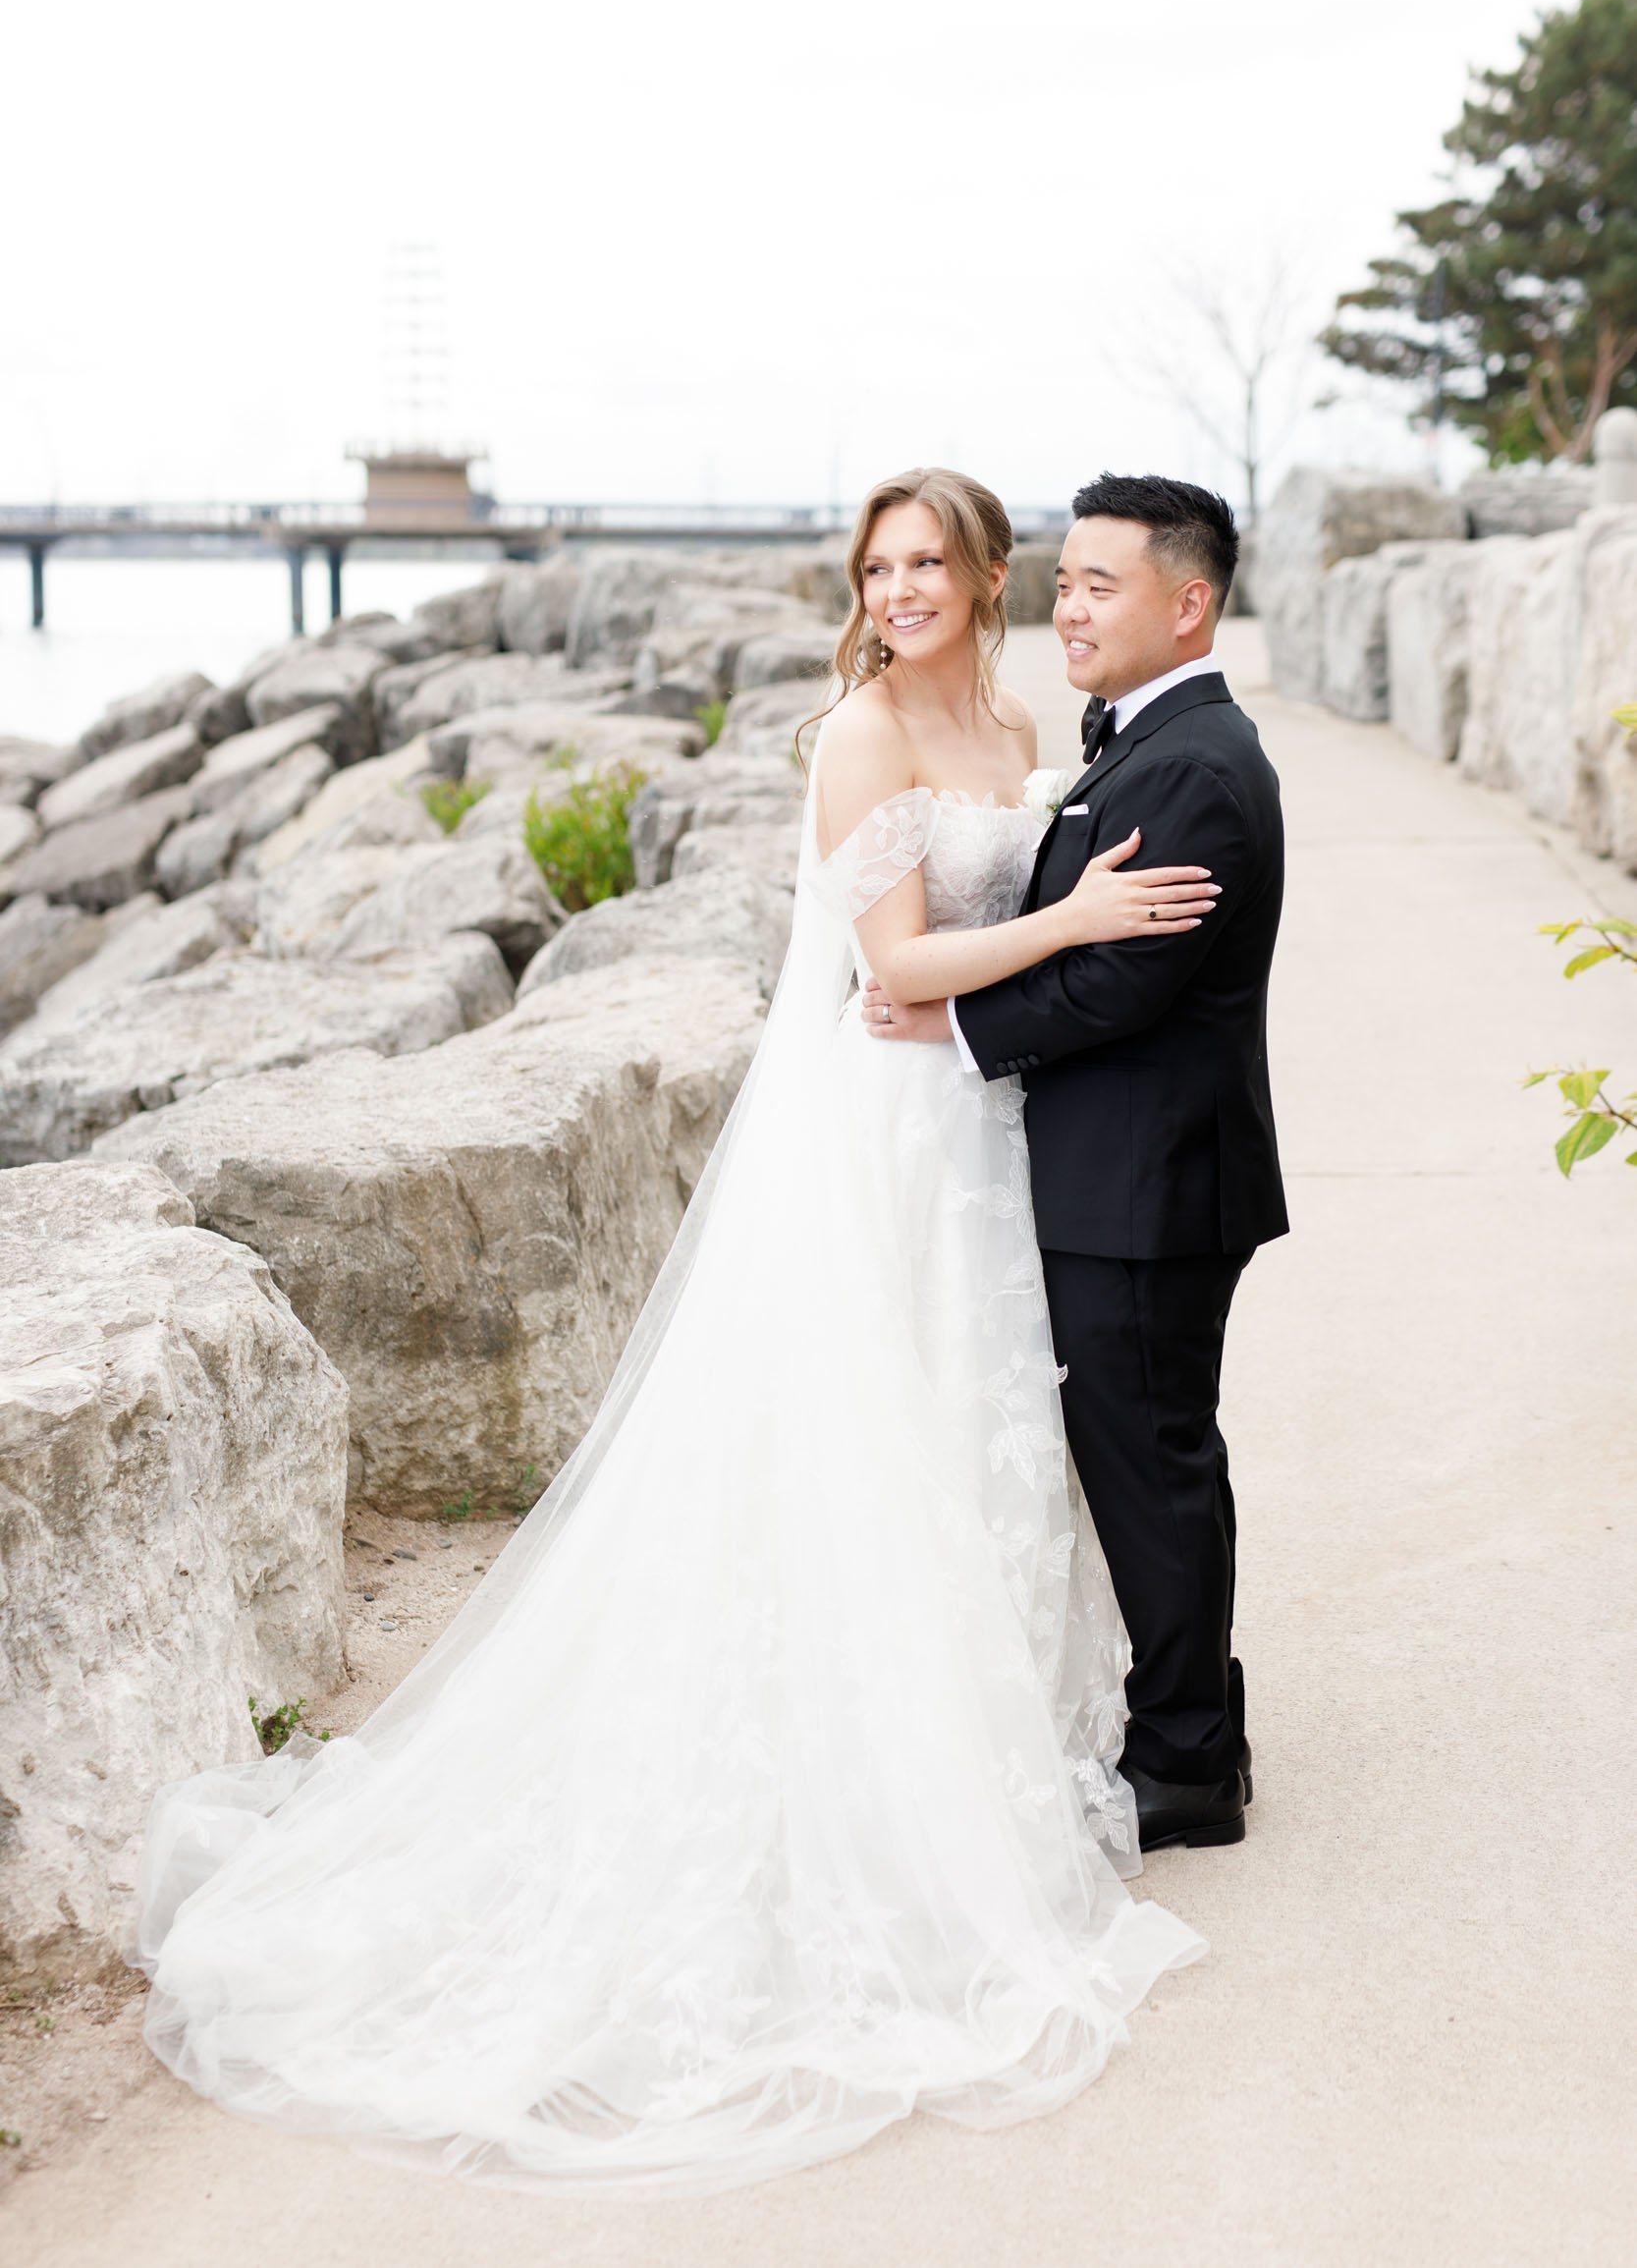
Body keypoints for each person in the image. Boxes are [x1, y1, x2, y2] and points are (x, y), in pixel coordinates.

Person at [126, 468, 1215, 2199]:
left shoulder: (1015, 714)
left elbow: (977, 925)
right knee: (868, 1438)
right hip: (881, 1132)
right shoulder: (858, 736)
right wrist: (1077, 921)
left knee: (973, 1419)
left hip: (980, 1130)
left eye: (932, 560)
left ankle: (975, 1751)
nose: (906, 586)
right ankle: (847, 1794)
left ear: (990, 574)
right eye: (880, 566)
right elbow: (900, 970)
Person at [866, 472, 1288, 1853]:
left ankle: (1185, 1766)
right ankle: (1192, 1720)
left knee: (1152, 1463)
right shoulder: (1141, 740)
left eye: (1104, 584)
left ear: (1191, 602)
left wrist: (951, 1016)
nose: (1075, 605)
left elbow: (1124, 986)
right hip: (1122, 1172)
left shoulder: (1201, 768)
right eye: (1069, 579)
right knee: (1150, 1458)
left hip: (1149, 1185)